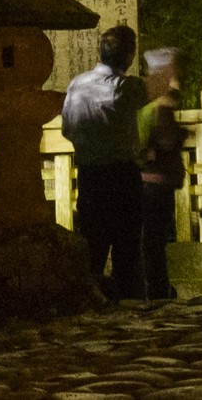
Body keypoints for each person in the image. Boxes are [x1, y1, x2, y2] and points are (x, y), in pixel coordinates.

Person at [62, 23, 147, 297]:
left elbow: (67, 129)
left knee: (93, 243)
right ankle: (127, 299)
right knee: (127, 245)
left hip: (89, 174)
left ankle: (93, 297)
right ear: (130, 55)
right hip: (122, 173)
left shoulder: (77, 84)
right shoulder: (128, 86)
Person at [132, 47, 188, 300]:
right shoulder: (161, 107)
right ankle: (158, 289)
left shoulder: (144, 105)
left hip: (143, 179)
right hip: (156, 181)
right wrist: (180, 135)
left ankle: (151, 287)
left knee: (147, 239)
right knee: (154, 241)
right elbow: (166, 141)